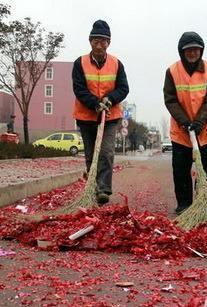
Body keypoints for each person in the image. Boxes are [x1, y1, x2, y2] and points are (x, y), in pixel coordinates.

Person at [163, 31, 207, 214]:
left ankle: (200, 191)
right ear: (182, 51)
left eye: (196, 49)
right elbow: (170, 99)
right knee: (180, 168)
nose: (192, 53)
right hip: (181, 131)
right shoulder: (172, 71)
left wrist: (199, 122)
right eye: (188, 50)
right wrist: (185, 122)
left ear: (201, 50)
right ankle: (184, 204)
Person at [72, 20, 129, 204]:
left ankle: (103, 189)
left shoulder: (116, 64)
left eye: (103, 41)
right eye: (96, 41)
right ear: (90, 42)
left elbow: (123, 88)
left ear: (108, 43)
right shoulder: (79, 63)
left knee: (105, 152)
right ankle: (93, 186)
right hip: (86, 116)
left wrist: (109, 99)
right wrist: (95, 104)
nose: (99, 45)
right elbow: (79, 89)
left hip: (110, 117)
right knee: (91, 154)